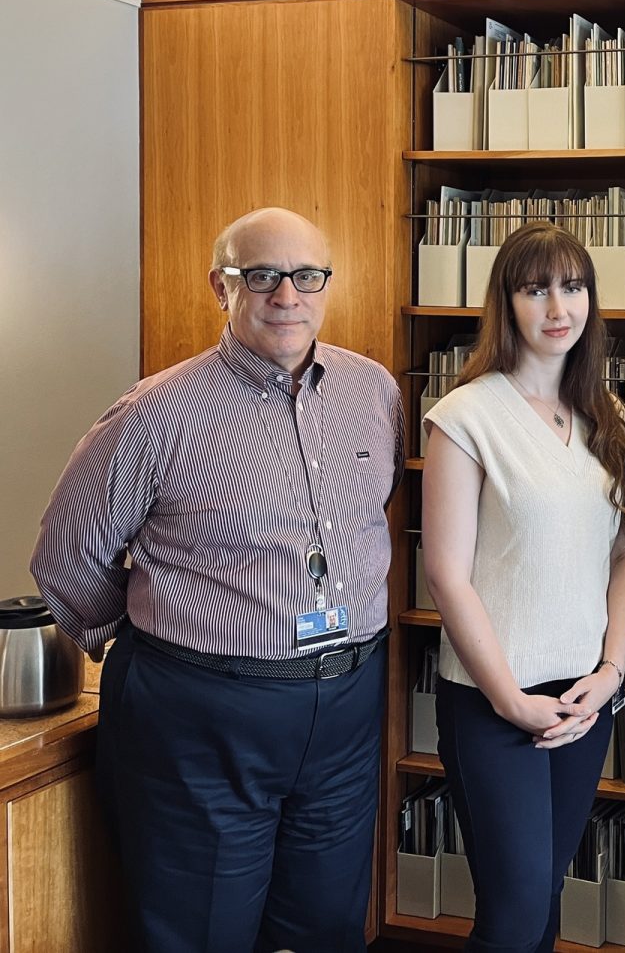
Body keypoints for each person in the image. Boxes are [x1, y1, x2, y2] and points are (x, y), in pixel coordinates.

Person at [30, 207, 402, 952]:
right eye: (260, 276)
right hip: (200, 718)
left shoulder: (373, 391)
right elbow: (67, 554)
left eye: (306, 276)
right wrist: (158, 635)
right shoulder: (154, 413)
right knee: (201, 934)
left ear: (327, 285)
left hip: (346, 710)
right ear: (219, 287)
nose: (286, 296)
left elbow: (374, 512)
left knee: (327, 929)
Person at [421, 222, 625, 953]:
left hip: (583, 699)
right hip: (493, 700)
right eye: (536, 289)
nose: (558, 307)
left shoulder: (605, 412)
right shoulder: (465, 415)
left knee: (545, 903)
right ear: (507, 303)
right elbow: (446, 574)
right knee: (515, 912)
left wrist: (611, 671)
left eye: (573, 287)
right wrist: (509, 699)